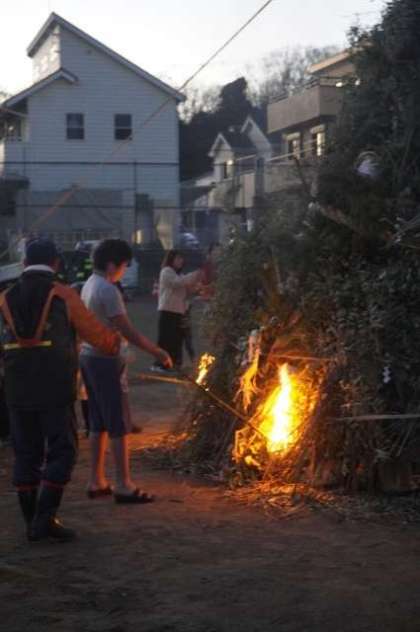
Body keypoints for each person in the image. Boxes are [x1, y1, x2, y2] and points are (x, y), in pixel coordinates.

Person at [0, 239, 120, 542]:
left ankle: (33, 522)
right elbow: (97, 336)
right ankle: (44, 518)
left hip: (16, 388)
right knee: (63, 450)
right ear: (55, 263)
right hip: (55, 387)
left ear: (24, 264)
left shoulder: (4, 298)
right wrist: (116, 344)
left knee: (26, 453)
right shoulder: (63, 295)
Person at [80, 239, 172, 504]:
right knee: (118, 423)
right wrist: (157, 352)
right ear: (112, 265)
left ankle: (96, 480)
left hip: (89, 356)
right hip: (105, 360)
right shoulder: (107, 290)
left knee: (98, 421)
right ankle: (124, 484)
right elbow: (127, 330)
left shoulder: (89, 284)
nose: (124, 270)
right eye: (123, 266)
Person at [154, 249, 203, 371]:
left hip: (178, 311)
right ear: (171, 259)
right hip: (167, 310)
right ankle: (160, 364)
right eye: (178, 258)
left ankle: (174, 364)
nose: (181, 261)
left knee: (176, 340)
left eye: (182, 258)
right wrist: (194, 275)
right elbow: (177, 283)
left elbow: (188, 288)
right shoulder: (166, 271)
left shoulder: (179, 275)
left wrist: (198, 283)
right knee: (166, 339)